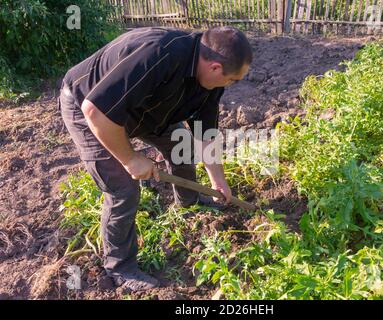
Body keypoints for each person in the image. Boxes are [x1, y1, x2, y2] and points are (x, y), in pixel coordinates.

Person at [58, 26, 253, 291]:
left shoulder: (210, 82)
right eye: (233, 80)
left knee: (181, 147)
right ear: (216, 68)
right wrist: (130, 159)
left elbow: (205, 132)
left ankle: (189, 200)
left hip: (147, 108)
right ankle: (119, 266)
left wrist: (217, 180)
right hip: (90, 107)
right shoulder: (159, 53)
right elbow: (96, 110)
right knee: (123, 188)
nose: (231, 85)